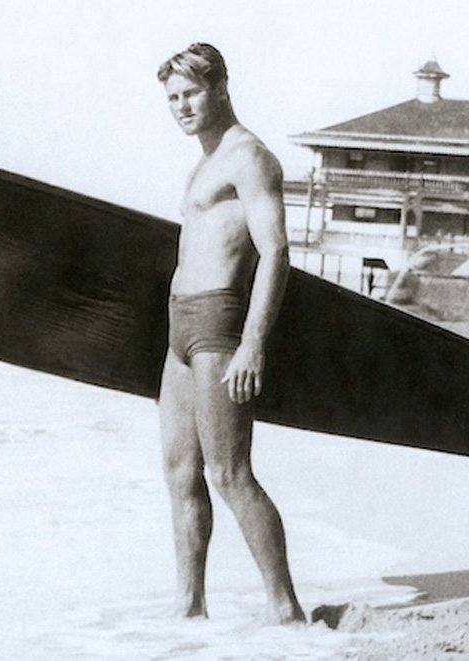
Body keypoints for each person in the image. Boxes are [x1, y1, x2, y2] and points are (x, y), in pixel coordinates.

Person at [156, 43, 305, 625]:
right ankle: (189, 607)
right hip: (179, 327)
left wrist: (253, 343)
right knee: (178, 473)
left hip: (220, 322)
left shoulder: (250, 158)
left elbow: (276, 254)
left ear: (219, 86)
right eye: (172, 98)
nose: (181, 106)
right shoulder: (203, 162)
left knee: (228, 472)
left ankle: (286, 609)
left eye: (190, 92)